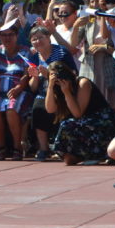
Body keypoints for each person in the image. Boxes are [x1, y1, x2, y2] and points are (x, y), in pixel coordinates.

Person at [46, 60, 115, 164]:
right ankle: (81, 156)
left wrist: (67, 92)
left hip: (100, 121)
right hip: (82, 124)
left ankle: (92, 154)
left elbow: (78, 113)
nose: (58, 77)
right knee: (68, 158)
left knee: (67, 124)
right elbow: (50, 109)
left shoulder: (82, 83)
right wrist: (50, 86)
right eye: (53, 75)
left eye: (59, 73)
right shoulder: (56, 88)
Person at [0, 18, 34, 160]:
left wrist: (18, 88)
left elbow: (27, 74)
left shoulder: (25, 51)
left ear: (16, 36)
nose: (7, 38)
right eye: (3, 35)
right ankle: (1, 147)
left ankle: (17, 147)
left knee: (11, 108)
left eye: (10, 34)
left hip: (18, 88)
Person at [27, 24, 77, 161]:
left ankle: (62, 146)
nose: (38, 41)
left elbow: (72, 74)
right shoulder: (33, 57)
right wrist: (35, 77)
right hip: (43, 92)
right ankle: (43, 148)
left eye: (40, 38)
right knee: (38, 106)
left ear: (49, 38)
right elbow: (32, 87)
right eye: (34, 39)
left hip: (62, 89)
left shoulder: (61, 52)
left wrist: (49, 74)